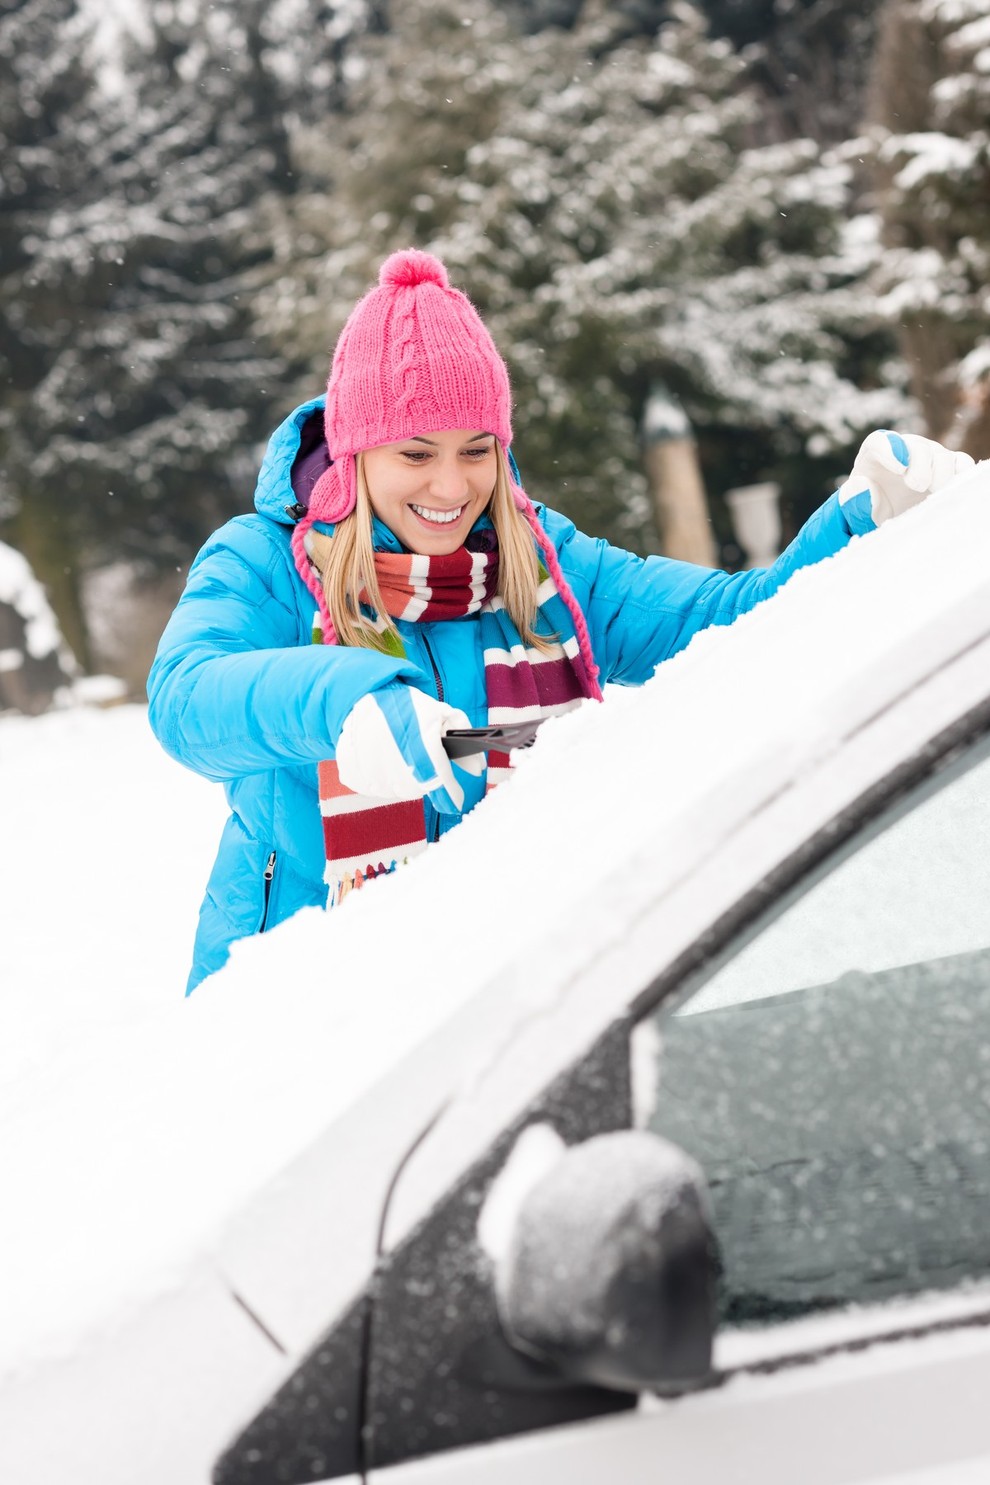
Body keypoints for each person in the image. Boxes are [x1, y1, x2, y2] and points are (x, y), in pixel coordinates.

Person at [148, 249, 974, 994]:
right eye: (415, 452)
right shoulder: (267, 560)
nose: (450, 485)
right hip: (289, 999)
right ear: (358, 451)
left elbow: (729, 624)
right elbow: (185, 698)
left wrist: (857, 522)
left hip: (487, 995)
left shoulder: (540, 562)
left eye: (476, 449)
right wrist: (340, 701)